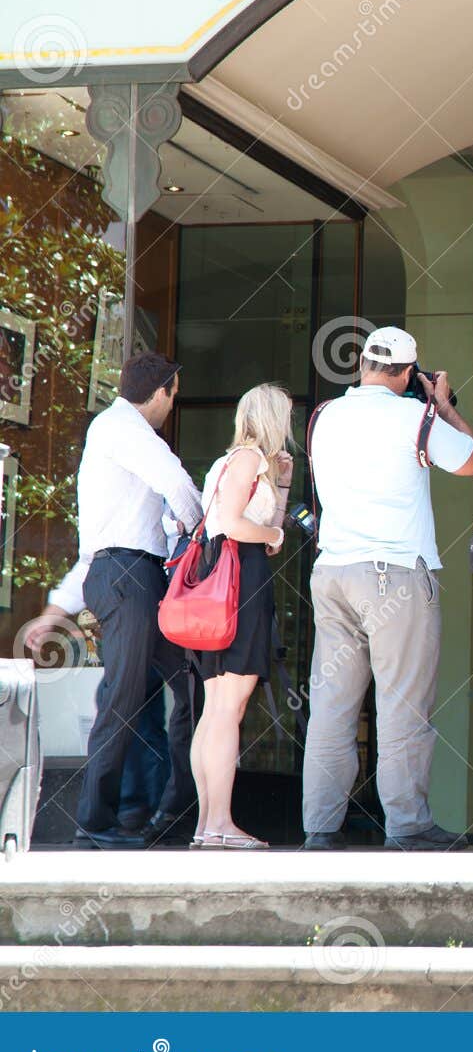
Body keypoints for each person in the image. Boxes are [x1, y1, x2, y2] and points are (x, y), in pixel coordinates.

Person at [301, 326, 473, 851]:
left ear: (362, 365)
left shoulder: (324, 416)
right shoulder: (413, 416)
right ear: (407, 373)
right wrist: (441, 405)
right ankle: (407, 824)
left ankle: (320, 828)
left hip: (333, 572)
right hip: (394, 575)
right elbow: (470, 460)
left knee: (332, 706)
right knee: (403, 704)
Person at [26, 352, 203, 849]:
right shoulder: (127, 429)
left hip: (129, 576)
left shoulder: (112, 435)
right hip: (130, 579)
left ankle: (173, 810)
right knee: (123, 699)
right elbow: (179, 486)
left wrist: (55, 610)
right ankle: (93, 824)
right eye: (174, 394)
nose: (173, 405)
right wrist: (207, 536)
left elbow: (98, 549)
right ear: (162, 391)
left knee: (191, 687)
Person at [188, 383, 294, 849]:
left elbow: (262, 530)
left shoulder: (230, 462)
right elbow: (237, 525)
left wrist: (282, 487)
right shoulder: (249, 459)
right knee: (229, 707)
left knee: (215, 706)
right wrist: (273, 532)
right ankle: (220, 823)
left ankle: (206, 825)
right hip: (239, 579)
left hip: (219, 576)